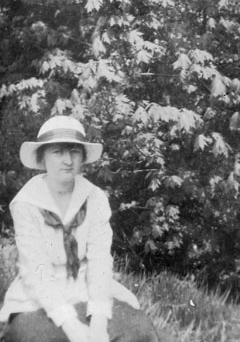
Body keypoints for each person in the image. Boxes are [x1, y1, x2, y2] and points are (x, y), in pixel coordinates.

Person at [0, 116, 160, 342]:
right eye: (57, 152)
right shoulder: (26, 203)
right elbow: (37, 272)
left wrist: (98, 324)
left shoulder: (95, 198)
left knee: (139, 332)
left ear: (83, 157)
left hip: (86, 288)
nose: (67, 160)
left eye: (74, 151)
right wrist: (72, 327)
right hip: (39, 299)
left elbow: (99, 263)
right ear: (42, 157)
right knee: (41, 337)